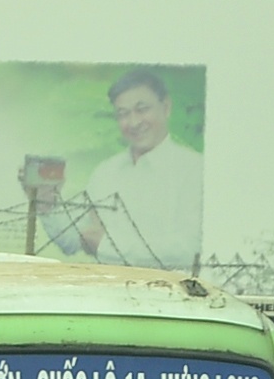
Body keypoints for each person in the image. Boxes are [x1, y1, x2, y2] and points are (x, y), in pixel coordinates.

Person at [36, 66, 203, 270]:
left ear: (166, 107)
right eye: (123, 114)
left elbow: (189, 249)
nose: (133, 122)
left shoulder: (194, 169)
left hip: (168, 295)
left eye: (142, 109)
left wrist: (106, 246)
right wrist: (46, 201)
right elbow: (72, 241)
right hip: (108, 294)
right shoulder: (105, 172)